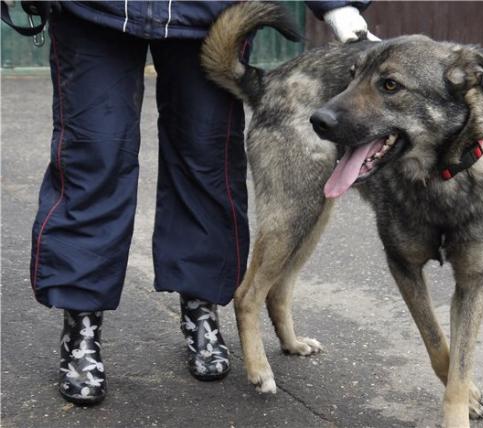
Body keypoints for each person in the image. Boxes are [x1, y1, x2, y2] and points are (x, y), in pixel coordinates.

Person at [19, 0, 377, 405]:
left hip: (206, 13)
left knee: (205, 163)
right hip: (94, 10)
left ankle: (200, 305)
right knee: (93, 159)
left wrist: (337, 5)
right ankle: (81, 322)